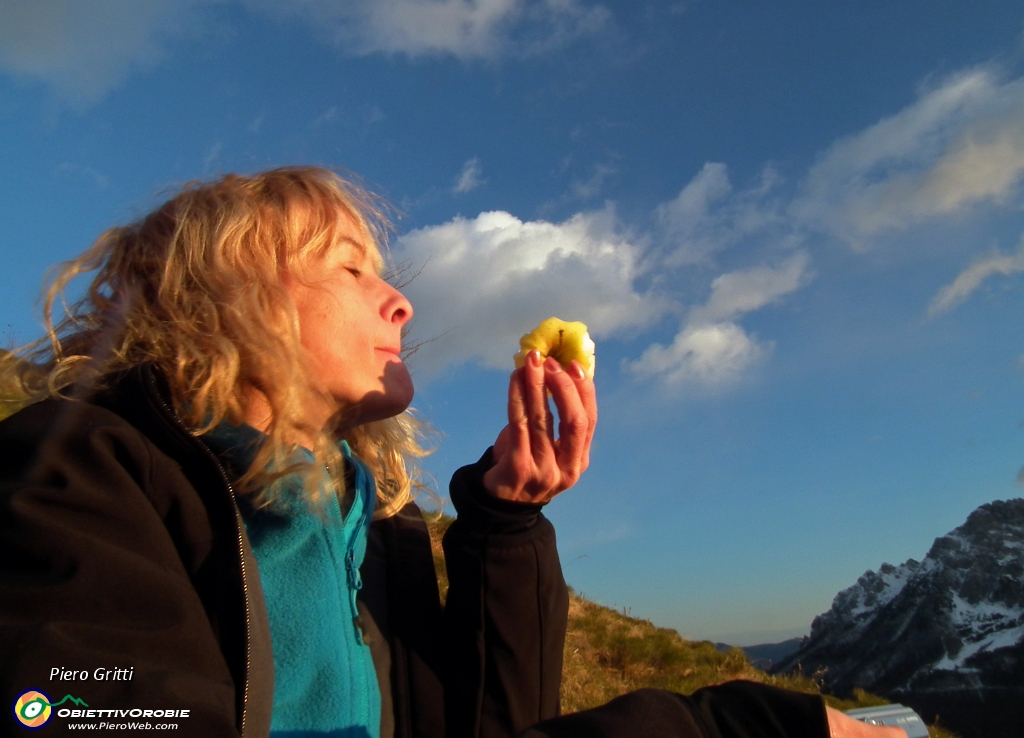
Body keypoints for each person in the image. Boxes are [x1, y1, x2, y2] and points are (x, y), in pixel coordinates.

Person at [0, 167, 902, 738]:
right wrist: (730, 728)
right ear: (229, 299)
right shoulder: (72, 477)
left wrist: (506, 521)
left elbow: (494, 724)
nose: (401, 303)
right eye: (351, 269)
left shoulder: (371, 524)